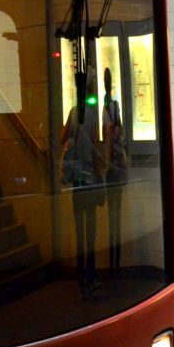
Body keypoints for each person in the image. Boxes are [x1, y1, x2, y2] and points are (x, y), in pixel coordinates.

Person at [61, 71, 105, 297]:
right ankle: (91, 277)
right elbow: (97, 148)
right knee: (92, 232)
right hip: (90, 179)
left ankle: (82, 282)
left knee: (80, 233)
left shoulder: (74, 112)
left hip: (77, 181)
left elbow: (63, 139)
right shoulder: (91, 114)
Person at [102, 67, 128, 279]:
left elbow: (108, 140)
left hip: (111, 170)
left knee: (113, 218)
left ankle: (114, 265)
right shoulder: (113, 109)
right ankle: (115, 265)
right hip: (117, 171)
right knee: (116, 217)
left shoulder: (106, 108)